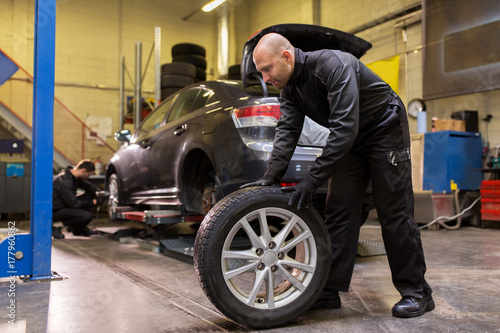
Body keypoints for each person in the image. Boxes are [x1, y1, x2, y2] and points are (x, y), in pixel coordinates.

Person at [242, 33, 434, 318]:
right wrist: (270, 177)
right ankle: (328, 290)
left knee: (393, 211)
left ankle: (417, 292)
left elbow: (344, 128)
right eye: (261, 72)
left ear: (286, 56)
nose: (266, 76)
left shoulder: (333, 65)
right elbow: (286, 133)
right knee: (339, 211)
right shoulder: (290, 90)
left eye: (267, 68)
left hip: (384, 126)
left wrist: (312, 180)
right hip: (352, 138)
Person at [52, 159, 100, 238]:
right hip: (57, 210)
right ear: (83, 171)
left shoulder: (73, 177)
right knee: (87, 216)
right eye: (88, 175)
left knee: (88, 194)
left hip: (65, 205)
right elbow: (74, 203)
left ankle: (78, 229)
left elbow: (88, 186)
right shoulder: (65, 180)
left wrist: (99, 192)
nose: (88, 177)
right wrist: (92, 202)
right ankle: (58, 225)